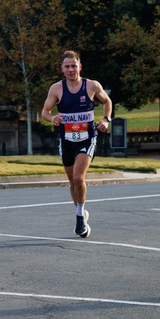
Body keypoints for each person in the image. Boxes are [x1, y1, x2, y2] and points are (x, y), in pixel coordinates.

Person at [40, 50, 113, 238]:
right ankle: (81, 210)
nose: (71, 69)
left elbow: (107, 101)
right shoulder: (56, 89)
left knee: (79, 177)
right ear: (62, 69)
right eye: (67, 66)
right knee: (72, 180)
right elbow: (45, 112)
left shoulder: (91, 86)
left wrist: (106, 120)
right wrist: (52, 118)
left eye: (74, 66)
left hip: (87, 137)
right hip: (66, 139)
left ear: (80, 67)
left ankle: (79, 217)